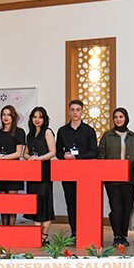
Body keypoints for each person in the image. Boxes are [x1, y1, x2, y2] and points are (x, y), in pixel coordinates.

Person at [55, 99, 98, 238]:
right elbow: (57, 151)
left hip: (85, 173)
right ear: (69, 112)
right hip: (68, 172)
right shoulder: (62, 131)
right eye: (72, 110)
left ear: (82, 112)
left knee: (85, 203)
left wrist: (77, 157)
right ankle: (74, 232)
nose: (75, 112)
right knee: (71, 203)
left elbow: (94, 152)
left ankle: (85, 231)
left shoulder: (89, 131)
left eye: (78, 110)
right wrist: (64, 156)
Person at [98, 107, 134, 247]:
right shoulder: (107, 136)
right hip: (112, 179)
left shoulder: (133, 137)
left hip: (129, 178)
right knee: (116, 208)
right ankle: (117, 236)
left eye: (121, 117)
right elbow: (101, 156)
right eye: (116, 117)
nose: (118, 119)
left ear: (126, 118)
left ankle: (124, 235)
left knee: (127, 208)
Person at [23, 106, 56, 245]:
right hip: (32, 173)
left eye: (40, 117)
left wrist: (40, 158)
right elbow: (25, 153)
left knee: (45, 203)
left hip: (44, 172)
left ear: (44, 119)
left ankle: (44, 235)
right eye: (35, 117)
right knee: (35, 203)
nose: (37, 120)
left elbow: (53, 152)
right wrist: (30, 158)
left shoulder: (47, 132)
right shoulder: (29, 134)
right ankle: (36, 233)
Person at [0, 105, 26, 226]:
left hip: (13, 170)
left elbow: (18, 153)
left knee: (11, 202)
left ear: (13, 117)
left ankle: (11, 227)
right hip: (0, 171)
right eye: (3, 115)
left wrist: (2, 158)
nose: (6, 117)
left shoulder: (19, 132)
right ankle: (4, 227)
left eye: (8, 115)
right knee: (2, 201)